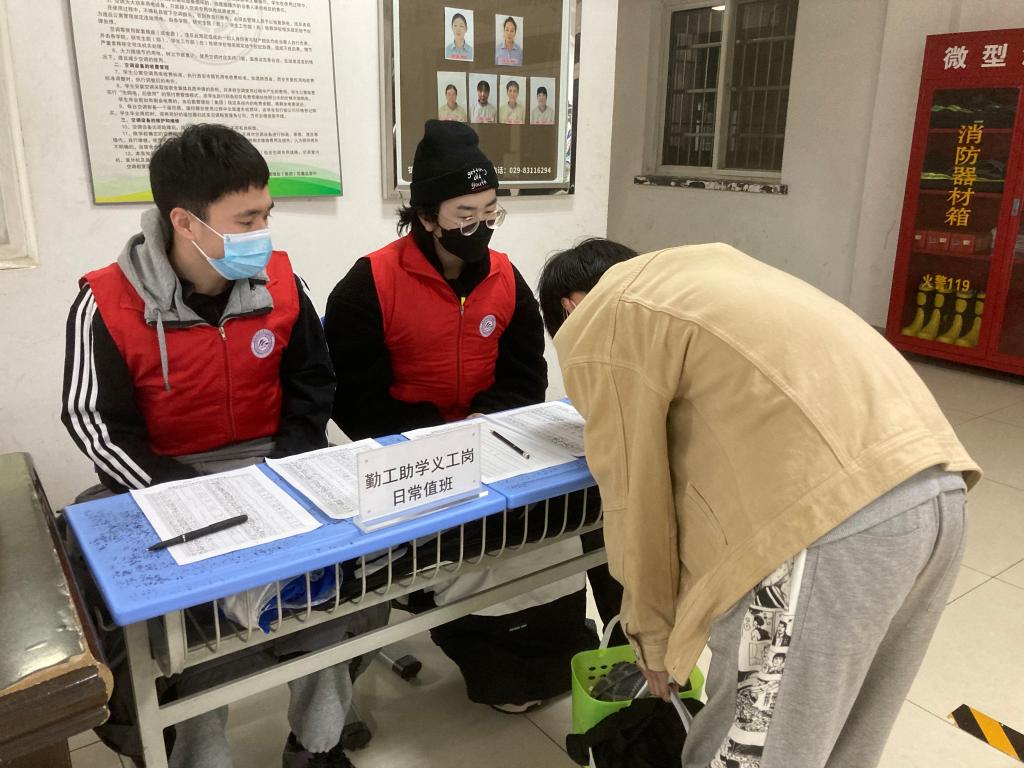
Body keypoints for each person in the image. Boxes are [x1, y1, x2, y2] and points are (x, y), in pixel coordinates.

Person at [542, 239, 981, 768]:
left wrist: (651, 641)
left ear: (570, 307)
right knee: (842, 745)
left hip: (824, 526)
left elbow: (636, 502)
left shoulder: (606, 319)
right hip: (938, 490)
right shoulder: (710, 275)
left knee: (750, 753)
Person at [61, 123, 371, 768]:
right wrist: (186, 496)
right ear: (185, 222)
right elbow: (95, 423)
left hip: (272, 466)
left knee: (332, 595)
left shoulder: (281, 284)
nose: (264, 232)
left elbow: (313, 382)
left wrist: (285, 470)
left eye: (267, 214)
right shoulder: (107, 302)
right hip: (166, 481)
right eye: (246, 219)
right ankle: (197, 754)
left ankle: (316, 744)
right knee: (185, 633)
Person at [323, 120, 595, 712]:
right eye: (464, 214)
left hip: (491, 444)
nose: (480, 226)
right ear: (426, 216)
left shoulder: (505, 278)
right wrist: (429, 432)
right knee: (473, 547)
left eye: (490, 211)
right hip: (408, 455)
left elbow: (526, 375)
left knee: (552, 537)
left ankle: (546, 656)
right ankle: (488, 655)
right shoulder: (371, 282)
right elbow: (351, 395)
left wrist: (484, 422)